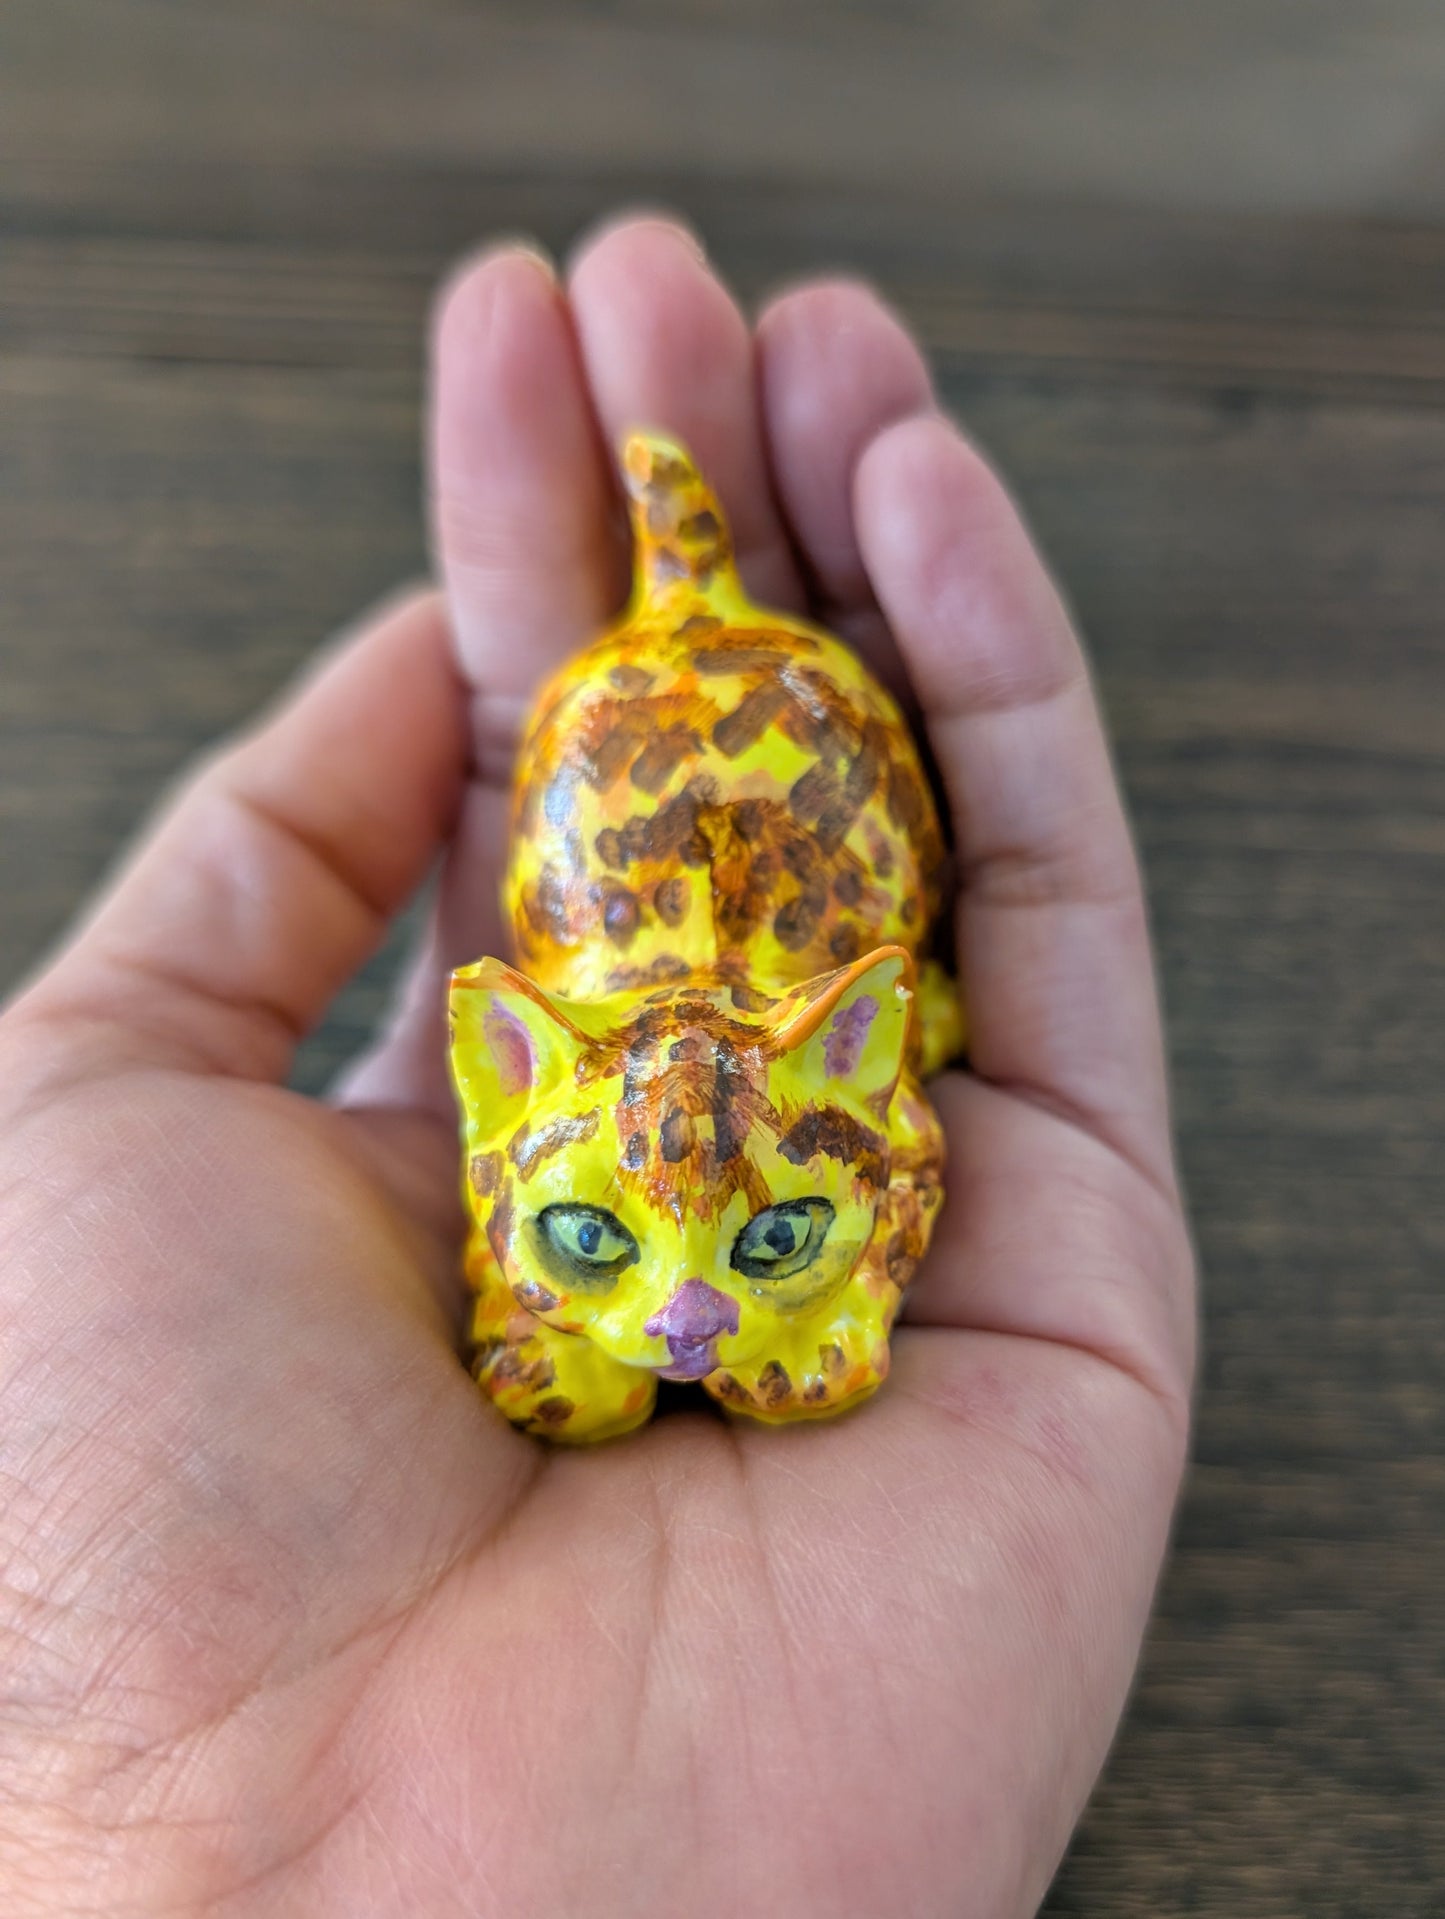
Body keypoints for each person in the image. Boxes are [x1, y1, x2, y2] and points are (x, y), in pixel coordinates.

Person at [0, 214, 1194, 1916]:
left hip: (821, 915)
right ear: (505, 1093)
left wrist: (824, 1267)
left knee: (887, 976)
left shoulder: (841, 1117)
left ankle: (883, 997)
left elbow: (888, 1162)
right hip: (637, 896)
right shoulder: (542, 1097)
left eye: (762, 1246)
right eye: (594, 1250)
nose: (686, 1320)